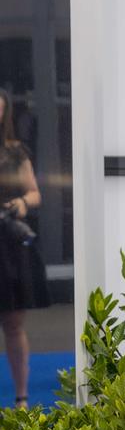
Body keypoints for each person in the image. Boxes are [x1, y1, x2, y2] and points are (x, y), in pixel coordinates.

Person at [0, 87, 47, 408]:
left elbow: (35, 194)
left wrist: (19, 203)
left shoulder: (15, 152)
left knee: (14, 324)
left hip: (9, 245)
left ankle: (21, 397)